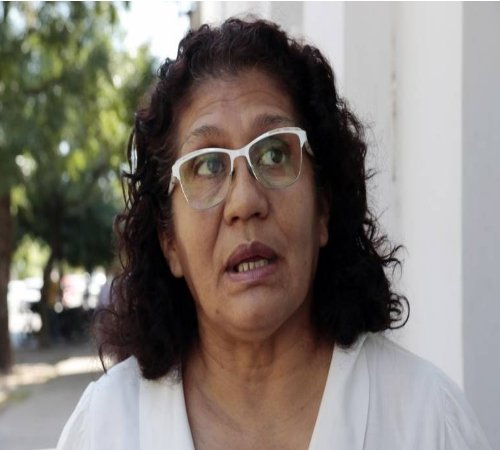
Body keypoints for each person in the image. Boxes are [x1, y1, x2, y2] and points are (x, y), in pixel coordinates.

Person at [57, 18, 491, 450]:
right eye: (208, 165)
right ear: (169, 241)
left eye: (274, 154)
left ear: (323, 208)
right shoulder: (105, 428)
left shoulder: (427, 421)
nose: (245, 201)